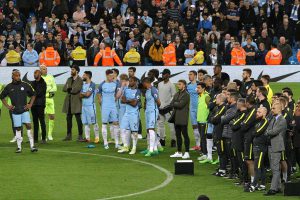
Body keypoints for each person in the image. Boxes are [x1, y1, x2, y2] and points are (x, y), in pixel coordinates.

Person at [0, 69, 37, 153]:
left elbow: (34, 94)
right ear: (12, 76)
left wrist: (30, 104)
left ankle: (32, 146)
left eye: (19, 75)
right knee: (18, 128)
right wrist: (7, 106)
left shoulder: (25, 84)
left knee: (28, 126)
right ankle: (19, 147)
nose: (18, 77)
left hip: (24, 110)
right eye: (16, 76)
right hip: (15, 111)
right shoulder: (8, 86)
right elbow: (1, 96)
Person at [264, 103, 287, 196]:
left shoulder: (282, 120)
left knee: (275, 169)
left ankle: (273, 189)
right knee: (274, 168)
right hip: (271, 146)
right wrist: (269, 132)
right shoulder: (274, 118)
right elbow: (268, 130)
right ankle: (277, 187)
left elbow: (274, 131)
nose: (272, 110)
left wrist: (268, 132)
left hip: (276, 147)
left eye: (273, 108)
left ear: (279, 109)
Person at [247, 107, 269, 192]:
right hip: (256, 146)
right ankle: (262, 185)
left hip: (260, 147)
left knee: (257, 166)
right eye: (257, 111)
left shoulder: (265, 122)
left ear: (264, 113)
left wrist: (253, 133)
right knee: (261, 166)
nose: (257, 113)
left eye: (259, 112)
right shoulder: (258, 121)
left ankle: (253, 185)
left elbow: (257, 132)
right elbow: (254, 132)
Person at [97, 69, 120, 149]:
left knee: (116, 123)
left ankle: (117, 143)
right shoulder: (102, 85)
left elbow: (117, 94)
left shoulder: (115, 84)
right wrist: (101, 103)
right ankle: (105, 143)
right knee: (104, 124)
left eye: (113, 76)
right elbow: (98, 94)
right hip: (105, 106)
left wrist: (115, 100)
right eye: (110, 76)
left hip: (113, 106)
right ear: (106, 75)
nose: (112, 77)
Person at [119, 76, 141, 154]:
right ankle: (126, 146)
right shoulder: (126, 90)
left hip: (134, 114)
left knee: (134, 132)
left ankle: (134, 147)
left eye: (131, 81)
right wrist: (130, 100)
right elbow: (122, 101)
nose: (129, 82)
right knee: (122, 129)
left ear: (135, 82)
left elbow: (135, 104)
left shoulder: (138, 91)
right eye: (129, 81)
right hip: (127, 113)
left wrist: (127, 101)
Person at [62, 65, 84, 142]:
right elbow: (64, 88)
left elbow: (76, 90)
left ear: (77, 71)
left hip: (76, 101)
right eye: (71, 69)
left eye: (73, 69)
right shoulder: (69, 79)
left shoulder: (80, 80)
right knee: (68, 119)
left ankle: (80, 135)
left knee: (78, 119)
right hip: (69, 101)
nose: (71, 71)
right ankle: (69, 135)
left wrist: (70, 89)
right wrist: (70, 89)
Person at [170, 80, 190, 159]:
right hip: (176, 118)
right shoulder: (177, 94)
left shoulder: (186, 95)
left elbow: (180, 105)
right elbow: (171, 104)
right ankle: (179, 152)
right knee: (178, 135)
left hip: (183, 118)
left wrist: (175, 103)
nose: (178, 85)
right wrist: (176, 103)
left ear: (184, 85)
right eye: (178, 84)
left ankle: (187, 152)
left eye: (180, 84)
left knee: (185, 135)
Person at [142, 77, 162, 157]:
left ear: (146, 82)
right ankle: (155, 148)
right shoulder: (147, 90)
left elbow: (159, 102)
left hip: (153, 111)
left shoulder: (153, 90)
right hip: (148, 112)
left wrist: (156, 111)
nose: (143, 85)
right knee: (148, 130)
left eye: (143, 83)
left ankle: (151, 150)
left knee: (151, 130)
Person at [157, 69, 176, 147]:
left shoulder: (171, 85)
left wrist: (169, 105)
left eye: (164, 74)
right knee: (160, 125)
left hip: (168, 109)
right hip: (160, 107)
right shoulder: (160, 84)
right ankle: (162, 139)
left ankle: (173, 140)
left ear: (168, 75)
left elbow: (174, 96)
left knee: (171, 125)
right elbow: (158, 95)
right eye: (162, 74)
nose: (163, 75)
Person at [80, 71, 99, 143]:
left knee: (94, 122)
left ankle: (97, 137)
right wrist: (84, 94)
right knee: (86, 123)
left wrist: (83, 94)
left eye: (84, 75)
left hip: (91, 106)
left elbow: (88, 95)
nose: (82, 76)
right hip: (84, 106)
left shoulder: (92, 84)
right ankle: (87, 138)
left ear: (87, 76)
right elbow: (80, 95)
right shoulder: (83, 85)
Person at [40, 65, 57, 141]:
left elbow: (55, 87)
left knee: (52, 116)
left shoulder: (51, 77)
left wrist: (47, 91)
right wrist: (48, 91)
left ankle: (50, 134)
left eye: (46, 69)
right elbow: (40, 90)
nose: (45, 70)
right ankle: (43, 134)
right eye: (43, 69)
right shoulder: (39, 78)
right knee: (42, 117)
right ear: (40, 70)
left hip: (50, 99)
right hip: (42, 100)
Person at [197, 82, 212, 163]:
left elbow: (210, 108)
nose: (197, 89)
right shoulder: (200, 96)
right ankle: (203, 153)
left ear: (203, 88)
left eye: (199, 88)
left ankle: (205, 154)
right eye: (197, 87)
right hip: (200, 120)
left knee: (204, 137)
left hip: (204, 121)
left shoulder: (206, 96)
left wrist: (207, 118)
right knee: (202, 137)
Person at [31, 70, 47, 144]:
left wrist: (33, 94)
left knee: (42, 121)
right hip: (33, 105)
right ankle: (35, 139)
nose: (34, 75)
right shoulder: (33, 83)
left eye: (36, 73)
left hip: (40, 104)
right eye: (34, 73)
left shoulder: (43, 83)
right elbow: (30, 93)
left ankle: (43, 138)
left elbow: (40, 93)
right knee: (35, 122)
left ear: (40, 74)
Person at [187, 71, 200, 151]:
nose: (189, 76)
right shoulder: (187, 86)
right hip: (192, 109)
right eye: (189, 75)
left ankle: (203, 145)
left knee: (201, 127)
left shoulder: (199, 85)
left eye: (191, 74)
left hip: (200, 109)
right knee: (194, 127)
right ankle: (197, 145)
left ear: (195, 76)